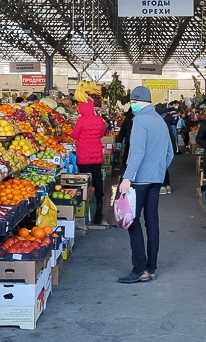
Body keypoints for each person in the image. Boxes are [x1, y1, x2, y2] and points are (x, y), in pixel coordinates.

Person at [117, 86, 174, 284]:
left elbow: (137, 152)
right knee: (152, 223)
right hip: (155, 180)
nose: (131, 106)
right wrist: (158, 171)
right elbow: (170, 152)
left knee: (131, 221)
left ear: (138, 102)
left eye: (132, 102)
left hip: (139, 180)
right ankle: (151, 268)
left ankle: (139, 268)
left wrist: (127, 178)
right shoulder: (160, 120)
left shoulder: (140, 120)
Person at [72, 100, 107, 224]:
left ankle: (84, 200)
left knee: (84, 178)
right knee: (97, 176)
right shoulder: (99, 120)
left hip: (84, 153)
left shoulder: (80, 120)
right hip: (96, 152)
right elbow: (102, 133)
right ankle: (99, 200)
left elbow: (74, 135)